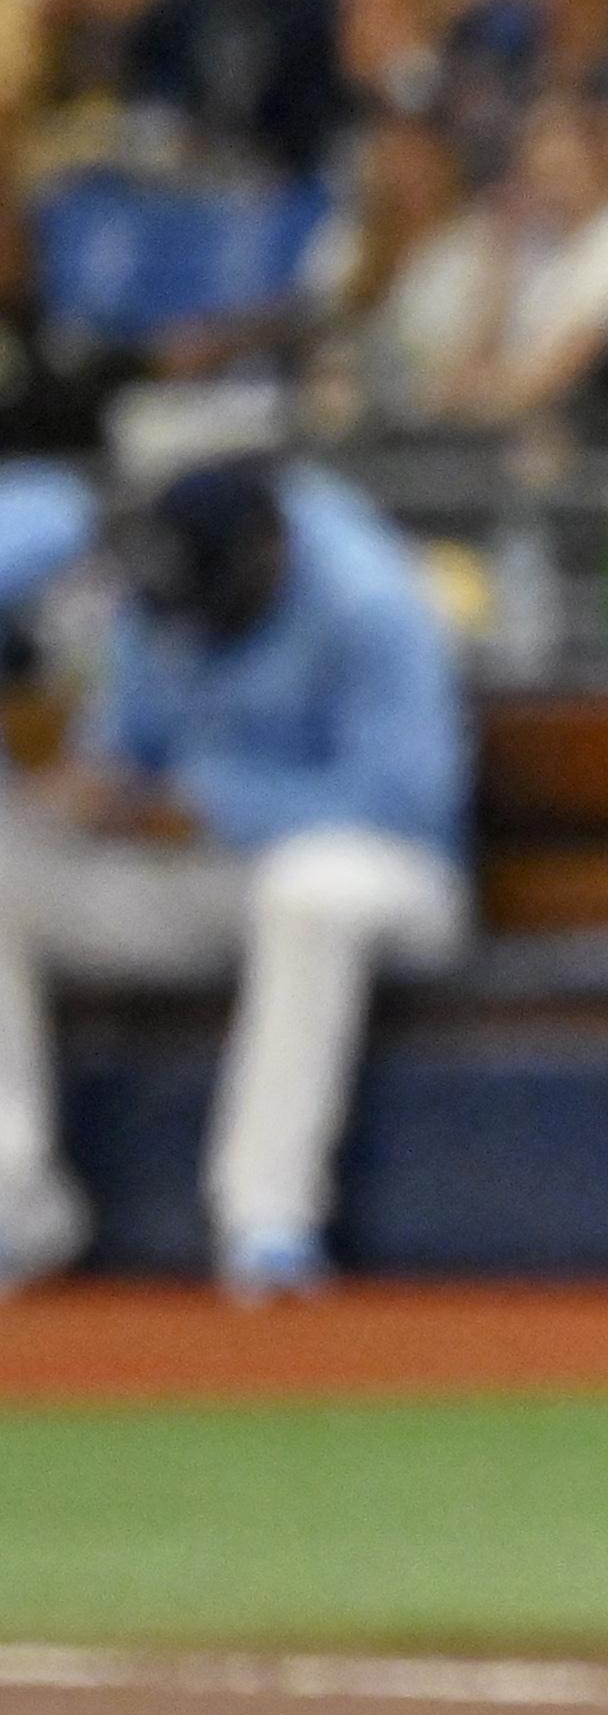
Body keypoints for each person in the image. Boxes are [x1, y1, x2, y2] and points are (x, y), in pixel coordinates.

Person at [0, 457, 468, 1300]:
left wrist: (214, 802)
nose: (197, 623)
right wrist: (90, 790)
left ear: (272, 548)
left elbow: (406, 801)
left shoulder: (368, 594)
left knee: (307, 889)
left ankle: (269, 1224)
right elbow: (128, 746)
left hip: (389, 880)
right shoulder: (164, 583)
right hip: (210, 879)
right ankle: (15, 1206)